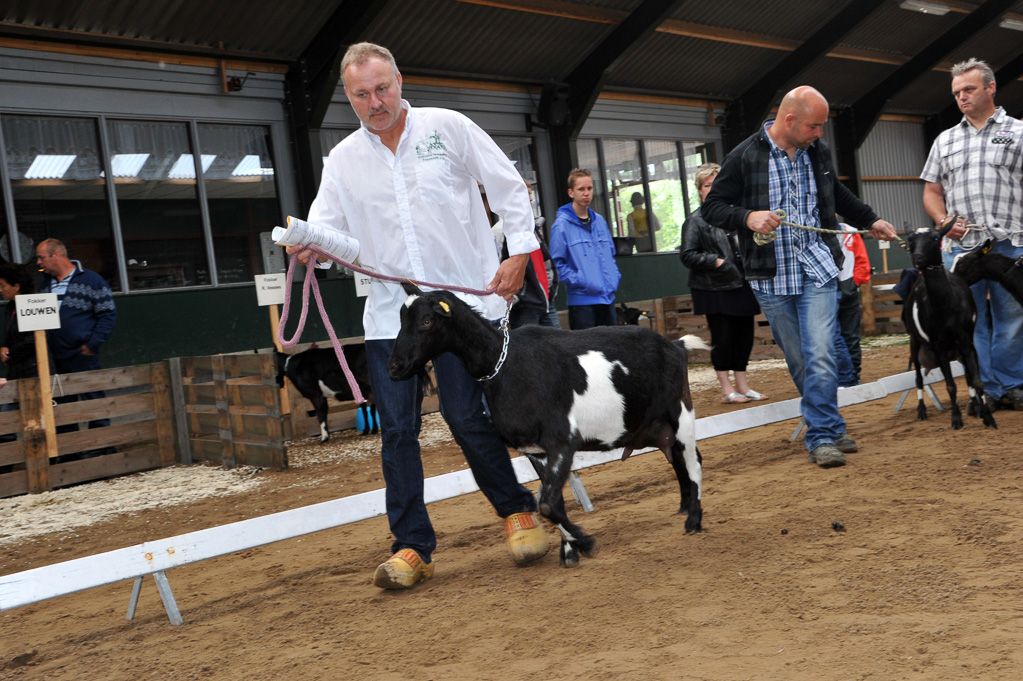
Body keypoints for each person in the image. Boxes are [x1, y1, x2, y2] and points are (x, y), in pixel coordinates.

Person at [286, 42, 548, 590]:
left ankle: (517, 511)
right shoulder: (342, 160)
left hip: (460, 310)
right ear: (348, 97)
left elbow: (507, 186)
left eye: (382, 88)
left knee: (466, 417)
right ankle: (411, 546)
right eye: (362, 94)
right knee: (397, 429)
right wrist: (310, 243)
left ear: (399, 80)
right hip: (391, 315)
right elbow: (332, 228)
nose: (375, 102)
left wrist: (520, 253)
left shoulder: (447, 127)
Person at [701, 86, 898, 468]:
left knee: (822, 351)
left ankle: (820, 435)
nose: (819, 133)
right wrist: (747, 216)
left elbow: (836, 193)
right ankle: (830, 422)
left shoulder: (816, 152)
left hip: (817, 267)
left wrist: (870, 219)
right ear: (789, 120)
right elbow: (712, 208)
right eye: (815, 126)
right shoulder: (744, 156)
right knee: (799, 359)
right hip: (770, 276)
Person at [921, 57, 1023, 412]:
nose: (962, 97)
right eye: (957, 92)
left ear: (990, 88)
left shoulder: (1019, 132)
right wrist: (943, 219)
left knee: (1012, 317)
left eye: (969, 89)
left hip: (1010, 242)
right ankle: (986, 388)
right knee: (968, 320)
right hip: (961, 248)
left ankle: (1011, 384)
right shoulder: (944, 140)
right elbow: (932, 191)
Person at [680, 163, 767, 405]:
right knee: (724, 338)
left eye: (717, 184)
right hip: (712, 287)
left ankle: (743, 385)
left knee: (744, 337)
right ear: (700, 190)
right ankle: (726, 389)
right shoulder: (695, 220)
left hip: (741, 282)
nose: (712, 189)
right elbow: (687, 255)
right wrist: (716, 261)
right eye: (708, 185)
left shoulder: (737, 214)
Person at [36, 239, 117, 459]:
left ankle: (103, 449)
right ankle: (70, 454)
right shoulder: (45, 284)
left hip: (82, 354)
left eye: (41, 257)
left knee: (93, 400)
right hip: (54, 356)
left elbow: (107, 314)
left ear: (57, 255)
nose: (38, 262)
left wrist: (92, 344)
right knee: (62, 405)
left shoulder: (91, 280)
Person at [549, 169, 622, 329]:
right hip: (582, 303)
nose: (586, 193)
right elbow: (557, 264)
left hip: (608, 298)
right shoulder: (561, 226)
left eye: (589, 188)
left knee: (611, 350)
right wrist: (581, 281)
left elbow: (611, 254)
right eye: (581, 189)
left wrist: (614, 276)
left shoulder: (600, 221)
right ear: (571, 192)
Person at [485, 181, 560, 329]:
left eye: (531, 194)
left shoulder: (534, 227)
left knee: (560, 348)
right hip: (526, 308)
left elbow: (546, 263)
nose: (531, 199)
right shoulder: (500, 230)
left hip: (545, 303)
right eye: (527, 194)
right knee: (530, 351)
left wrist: (550, 293)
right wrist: (518, 300)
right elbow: (496, 266)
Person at [835, 220, 871, 387]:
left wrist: (854, 283)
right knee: (840, 336)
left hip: (844, 287)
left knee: (848, 336)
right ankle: (845, 375)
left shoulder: (850, 232)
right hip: (834, 287)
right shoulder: (850, 231)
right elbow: (862, 262)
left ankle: (852, 374)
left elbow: (862, 261)